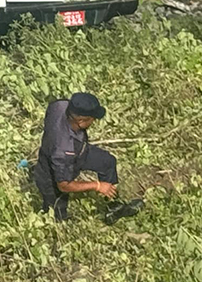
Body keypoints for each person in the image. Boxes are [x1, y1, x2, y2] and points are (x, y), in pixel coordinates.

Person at [32, 92, 143, 224]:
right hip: (52, 176)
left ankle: (113, 207)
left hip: (80, 151)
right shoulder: (64, 149)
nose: (94, 121)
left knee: (107, 162)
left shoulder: (59, 106)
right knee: (58, 218)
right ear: (81, 121)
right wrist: (97, 185)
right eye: (92, 118)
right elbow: (63, 185)